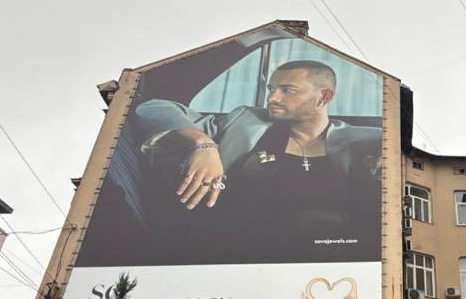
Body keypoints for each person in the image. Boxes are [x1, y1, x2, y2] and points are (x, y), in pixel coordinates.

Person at [130, 59, 382, 264]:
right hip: (223, 254)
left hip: (322, 268)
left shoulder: (367, 141)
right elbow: (153, 108)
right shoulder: (246, 121)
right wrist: (203, 144)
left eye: (287, 90)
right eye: (271, 89)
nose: (272, 98)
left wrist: (393, 155)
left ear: (324, 97)